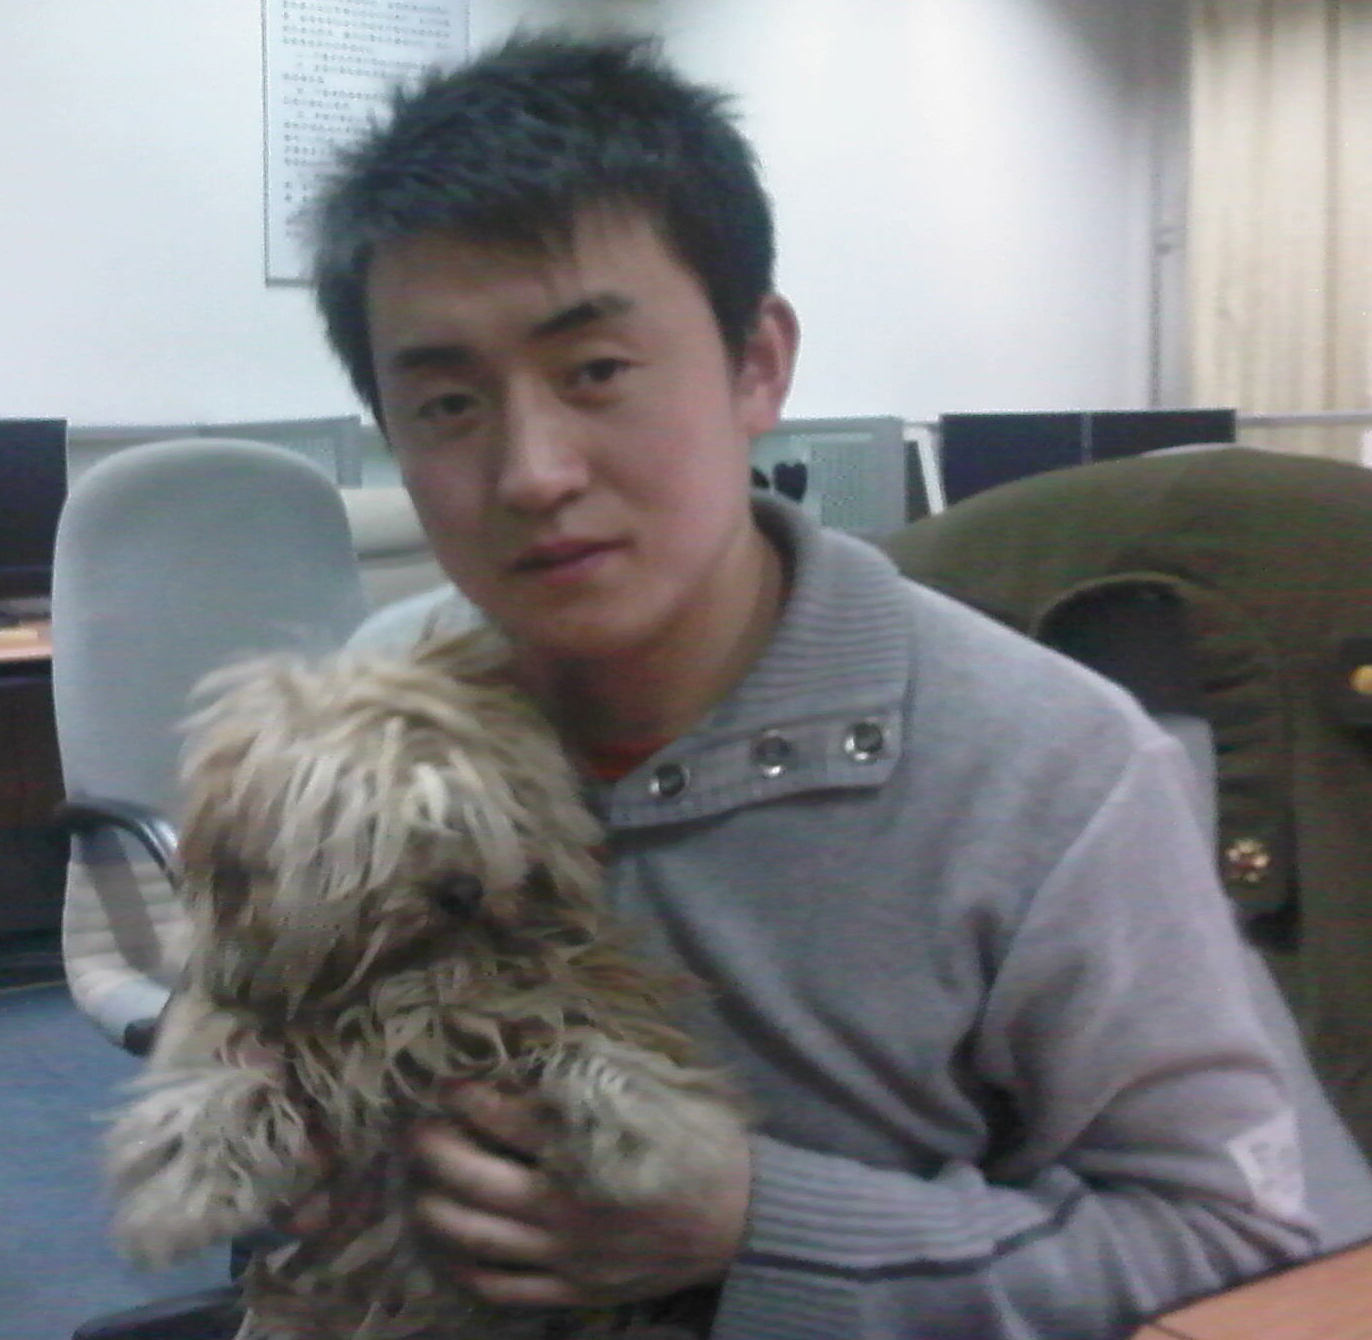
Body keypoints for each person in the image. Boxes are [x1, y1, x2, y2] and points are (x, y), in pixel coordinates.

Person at [306, 32, 1367, 1339]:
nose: (532, 472)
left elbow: (1240, 1241)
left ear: (757, 364)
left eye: (596, 372)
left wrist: (753, 1225)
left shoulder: (1048, 768)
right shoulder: (381, 704)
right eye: (448, 405)